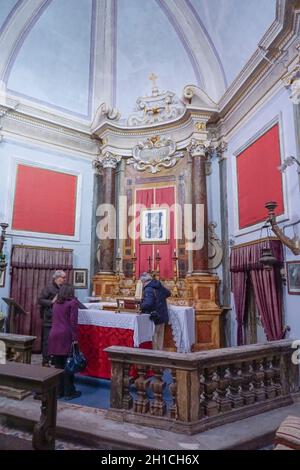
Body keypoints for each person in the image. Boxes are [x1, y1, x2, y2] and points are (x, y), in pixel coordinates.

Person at [47, 283, 81, 400]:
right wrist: (75, 338)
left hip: (54, 334)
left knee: (58, 364)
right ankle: (69, 392)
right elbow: (73, 322)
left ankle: (58, 391)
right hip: (65, 335)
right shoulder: (73, 303)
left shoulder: (56, 303)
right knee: (69, 364)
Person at [38, 270, 66, 366]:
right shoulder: (49, 288)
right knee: (47, 340)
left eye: (64, 278)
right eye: (63, 277)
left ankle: (54, 360)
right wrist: (51, 302)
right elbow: (40, 300)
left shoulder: (62, 288)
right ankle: (45, 361)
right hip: (49, 319)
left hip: (59, 319)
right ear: (57, 278)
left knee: (56, 340)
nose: (64, 279)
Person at [140, 272, 171, 350]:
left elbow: (148, 303)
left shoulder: (148, 289)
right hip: (162, 315)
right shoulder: (158, 285)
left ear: (144, 281)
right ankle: (161, 355)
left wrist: (140, 306)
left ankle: (155, 356)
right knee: (160, 338)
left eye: (142, 282)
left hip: (155, 316)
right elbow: (168, 293)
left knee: (154, 338)